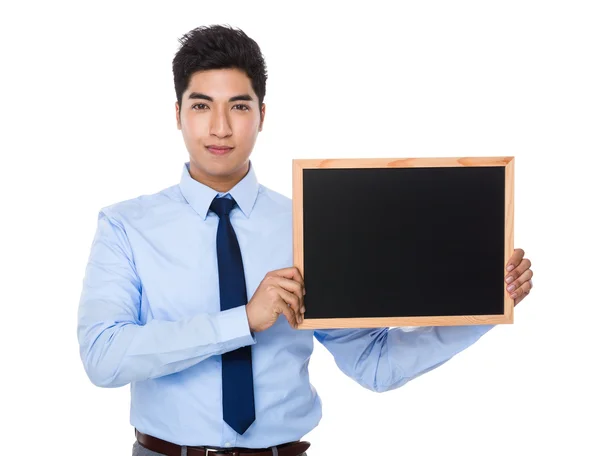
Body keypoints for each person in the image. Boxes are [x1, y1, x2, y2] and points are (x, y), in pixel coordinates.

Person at [76, 24, 534, 456]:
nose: (220, 127)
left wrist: (488, 303)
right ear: (177, 114)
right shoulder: (125, 226)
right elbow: (103, 357)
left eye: (238, 106)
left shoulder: (309, 224)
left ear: (261, 115)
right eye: (201, 105)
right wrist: (245, 320)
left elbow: (375, 363)